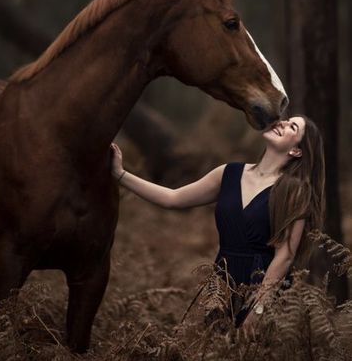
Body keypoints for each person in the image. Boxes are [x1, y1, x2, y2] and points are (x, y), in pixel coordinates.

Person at [111, 116, 325, 330]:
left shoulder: (294, 189)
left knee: (250, 359)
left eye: (292, 127)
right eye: (286, 120)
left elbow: (285, 255)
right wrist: (120, 175)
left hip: (263, 289)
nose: (282, 123)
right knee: (214, 355)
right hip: (223, 283)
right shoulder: (228, 173)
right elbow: (173, 198)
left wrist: (259, 308)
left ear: (296, 151)